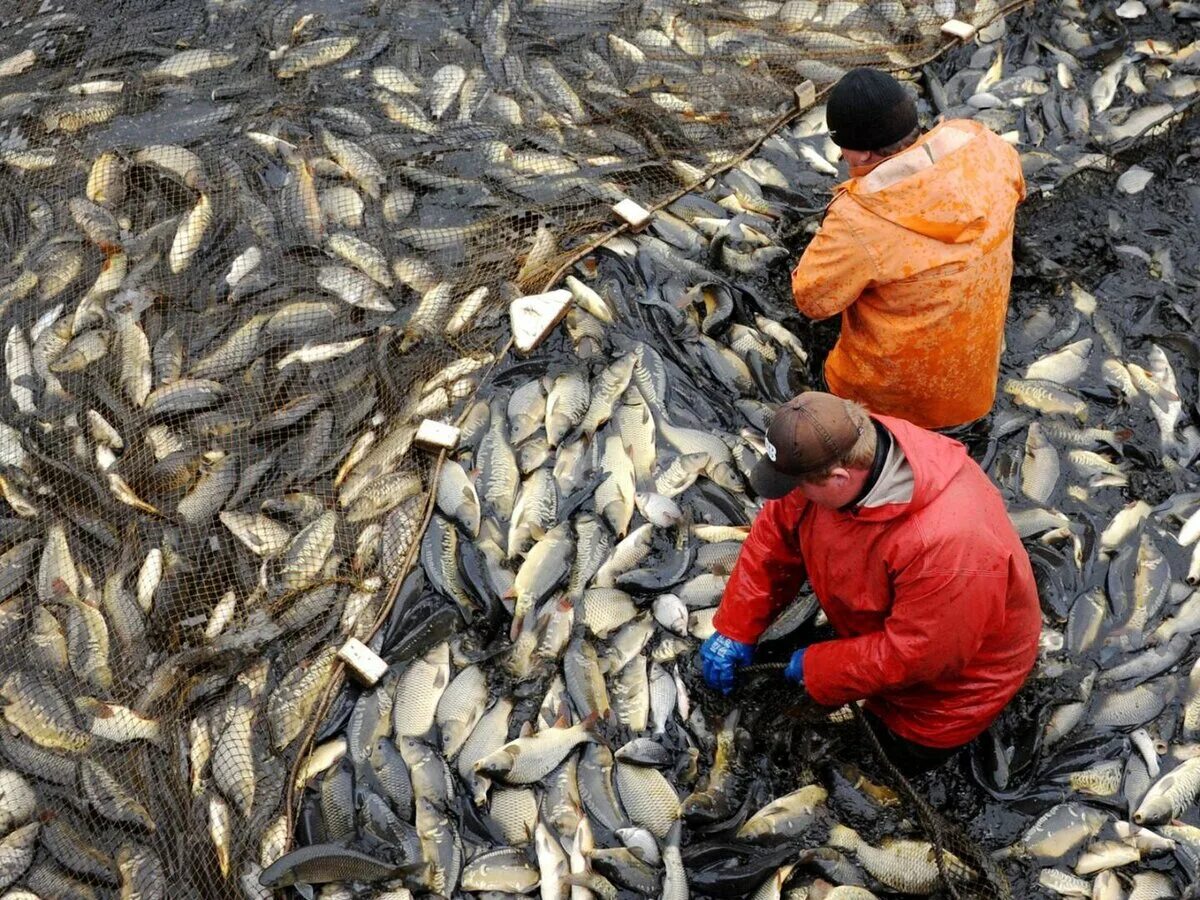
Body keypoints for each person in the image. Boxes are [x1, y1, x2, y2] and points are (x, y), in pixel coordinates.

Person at [699, 392, 1041, 773]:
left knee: (874, 768)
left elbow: (919, 656)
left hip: (945, 694)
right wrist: (736, 627)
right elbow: (776, 537)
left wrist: (819, 669)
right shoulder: (843, 443)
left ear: (839, 479)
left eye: (796, 484)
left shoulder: (949, 546)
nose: (791, 493)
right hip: (882, 627)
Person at [791, 68, 1026, 430]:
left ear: (863, 152)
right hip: (974, 394)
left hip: (885, 407)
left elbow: (812, 301)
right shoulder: (985, 146)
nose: (841, 157)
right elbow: (1017, 192)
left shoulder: (858, 221)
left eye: (843, 149)